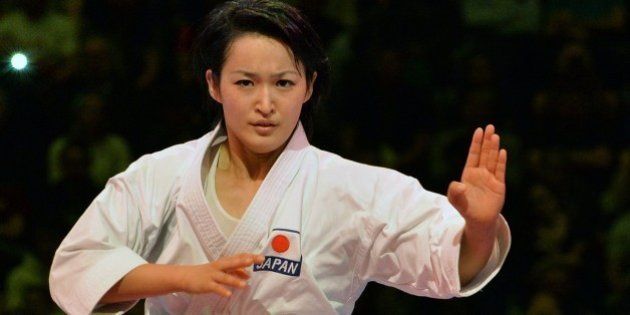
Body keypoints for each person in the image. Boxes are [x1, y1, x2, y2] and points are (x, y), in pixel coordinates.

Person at [49, 1, 511, 314]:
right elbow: (76, 271)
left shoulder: (355, 189)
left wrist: (481, 226)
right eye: (245, 82)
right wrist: (184, 277)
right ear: (214, 84)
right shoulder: (158, 176)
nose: (265, 103)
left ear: (308, 87)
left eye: (284, 84)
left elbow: (450, 267)